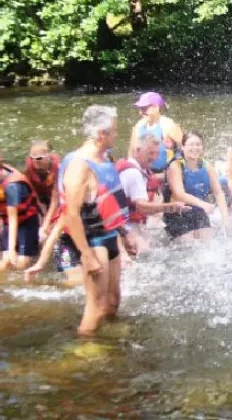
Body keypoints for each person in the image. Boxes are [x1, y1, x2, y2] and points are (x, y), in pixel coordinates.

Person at [59, 105, 129, 335]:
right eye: (114, 131)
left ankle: (108, 344)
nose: (116, 135)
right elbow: (71, 214)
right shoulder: (79, 166)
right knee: (96, 307)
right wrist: (86, 255)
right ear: (101, 134)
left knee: (112, 302)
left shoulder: (105, 158)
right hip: (93, 241)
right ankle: (84, 347)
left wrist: (124, 234)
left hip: (110, 235)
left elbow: (111, 203)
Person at [116, 133, 187, 254]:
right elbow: (142, 208)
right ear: (138, 150)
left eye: (156, 153)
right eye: (150, 153)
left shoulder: (141, 168)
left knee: (156, 245)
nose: (154, 157)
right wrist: (170, 207)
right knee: (145, 250)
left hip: (129, 220)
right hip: (120, 223)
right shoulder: (133, 173)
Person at [165, 131, 229, 240]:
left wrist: (226, 219)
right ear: (183, 147)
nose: (195, 148)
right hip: (177, 213)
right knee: (189, 244)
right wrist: (202, 204)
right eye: (191, 144)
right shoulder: (175, 166)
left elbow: (218, 193)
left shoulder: (207, 166)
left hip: (198, 212)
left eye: (198, 144)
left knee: (209, 242)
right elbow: (179, 194)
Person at [0, 149, 41, 271]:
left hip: (27, 221)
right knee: (5, 262)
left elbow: (13, 218)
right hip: (7, 220)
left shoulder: (12, 186)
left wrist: (12, 249)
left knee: (20, 263)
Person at [129, 92, 183, 174]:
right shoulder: (138, 126)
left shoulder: (168, 125)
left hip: (165, 173)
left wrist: (166, 174)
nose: (141, 112)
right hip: (143, 172)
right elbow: (131, 154)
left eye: (144, 108)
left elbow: (185, 148)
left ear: (156, 107)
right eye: (140, 109)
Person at [23, 140, 60, 240]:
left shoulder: (56, 167)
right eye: (32, 158)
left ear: (48, 156)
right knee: (37, 218)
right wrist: (39, 205)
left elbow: (55, 199)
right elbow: (30, 187)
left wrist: (46, 223)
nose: (35, 161)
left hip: (52, 195)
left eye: (39, 158)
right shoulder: (29, 166)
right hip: (38, 194)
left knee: (49, 224)